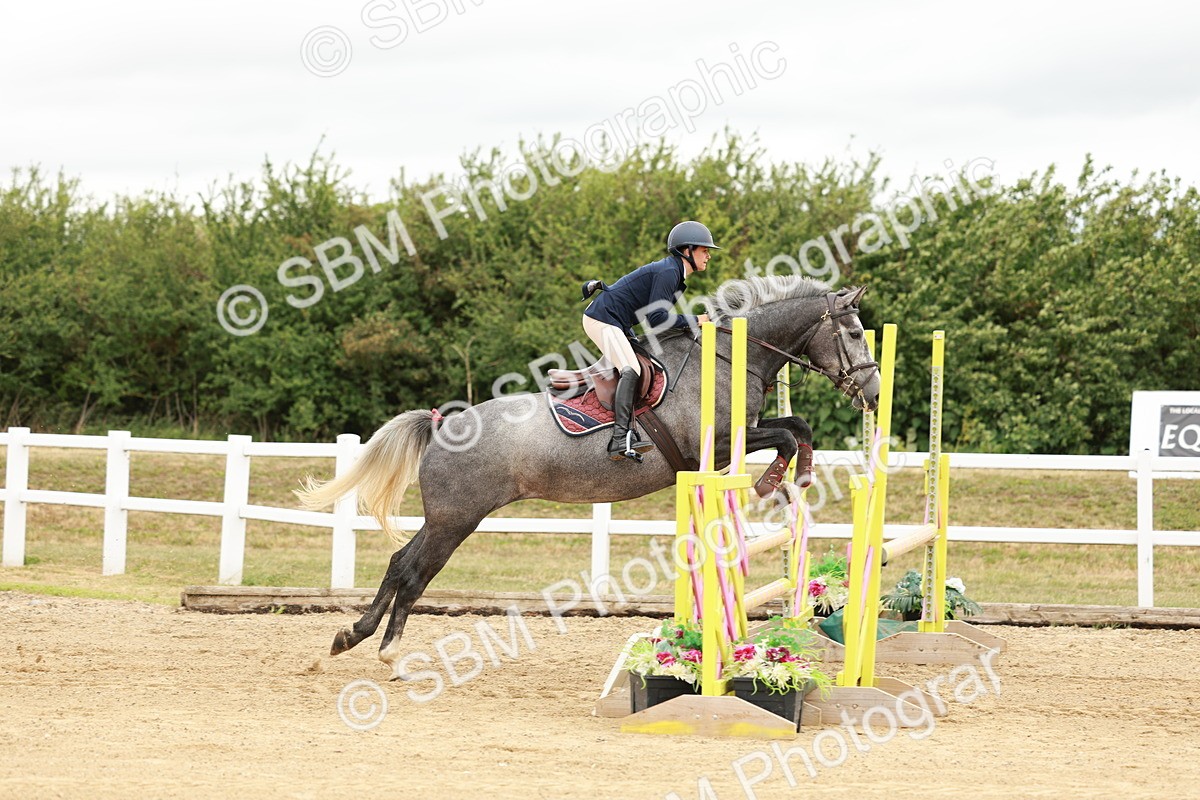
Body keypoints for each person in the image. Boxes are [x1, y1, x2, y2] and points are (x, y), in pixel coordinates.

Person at [581, 220, 718, 463]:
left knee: (647, 363)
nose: (708, 255)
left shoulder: (676, 275)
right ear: (687, 250)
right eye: (704, 250)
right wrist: (696, 319)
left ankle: (633, 428)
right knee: (631, 369)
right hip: (602, 319)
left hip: (619, 324)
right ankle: (619, 438)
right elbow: (657, 319)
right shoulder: (669, 272)